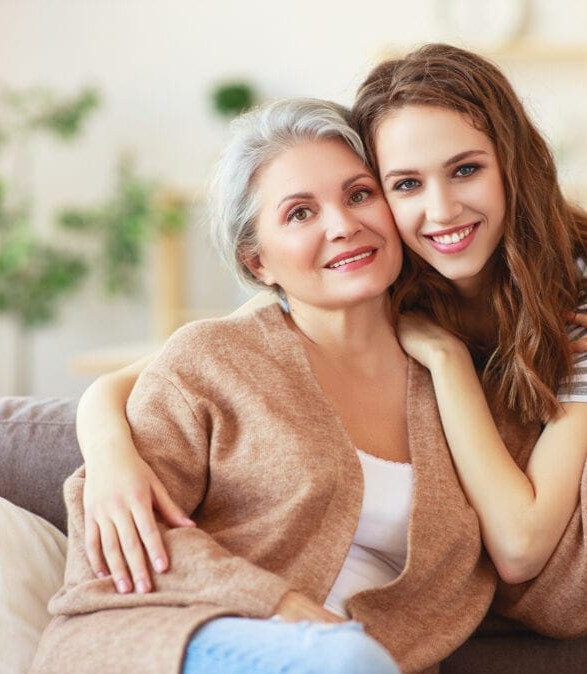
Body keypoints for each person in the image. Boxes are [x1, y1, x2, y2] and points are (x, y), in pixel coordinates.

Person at [75, 42, 587, 640]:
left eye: (466, 169)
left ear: (512, 162)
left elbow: (522, 546)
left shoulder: (582, 303)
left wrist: (449, 360)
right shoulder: (379, 274)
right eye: (405, 184)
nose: (441, 212)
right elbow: (147, 378)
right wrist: (108, 456)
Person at [32, 98, 499, 674]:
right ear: (259, 264)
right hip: (177, 642)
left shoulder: (452, 380)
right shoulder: (214, 358)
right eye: (300, 213)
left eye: (358, 194)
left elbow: (557, 588)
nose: (343, 225)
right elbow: (114, 544)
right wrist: (281, 604)